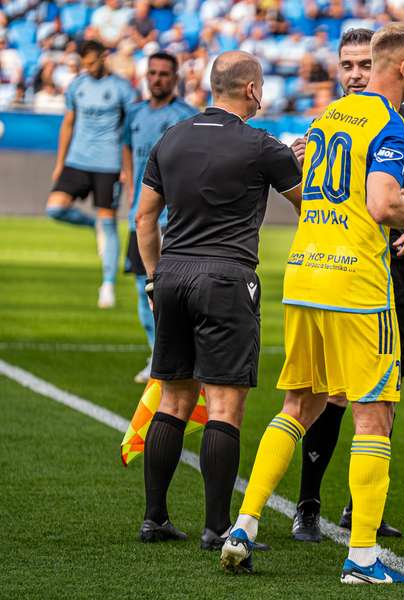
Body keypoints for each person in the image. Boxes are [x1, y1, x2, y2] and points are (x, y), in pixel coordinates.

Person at [221, 24, 404, 584]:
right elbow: (379, 204)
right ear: (401, 68)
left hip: (304, 276)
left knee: (299, 404)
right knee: (375, 415)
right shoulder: (391, 124)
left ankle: (244, 525)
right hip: (356, 285)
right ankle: (364, 558)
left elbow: (341, 189)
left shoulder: (327, 117)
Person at [287, 27, 404, 544]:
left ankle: (360, 511)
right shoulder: (329, 124)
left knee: (382, 398)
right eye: (345, 65)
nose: (353, 73)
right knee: (329, 395)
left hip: (401, 279)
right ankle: (307, 504)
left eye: (359, 64)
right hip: (347, 273)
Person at [134, 51, 303, 555]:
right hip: (227, 277)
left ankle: (154, 517)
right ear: (252, 89)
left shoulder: (171, 136)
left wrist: (152, 279)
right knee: (224, 405)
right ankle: (216, 527)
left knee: (174, 399)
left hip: (171, 276)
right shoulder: (262, 146)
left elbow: (145, 219)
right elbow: (310, 207)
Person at [122, 52, 195, 384]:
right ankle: (156, 354)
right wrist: (128, 183)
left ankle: (179, 354)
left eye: (164, 74)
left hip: (174, 219)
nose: (157, 79)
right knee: (143, 288)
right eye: (152, 73)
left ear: (175, 78)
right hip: (141, 217)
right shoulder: (134, 113)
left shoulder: (186, 117)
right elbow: (126, 148)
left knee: (176, 291)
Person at [46, 40, 136, 309]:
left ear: (104, 57)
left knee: (108, 222)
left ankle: (107, 284)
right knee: (54, 209)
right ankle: (91, 225)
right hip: (78, 159)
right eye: (84, 63)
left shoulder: (122, 89)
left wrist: (126, 168)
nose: (88, 67)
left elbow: (130, 131)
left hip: (108, 164)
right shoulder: (77, 86)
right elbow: (68, 124)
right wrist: (60, 163)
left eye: (92, 62)